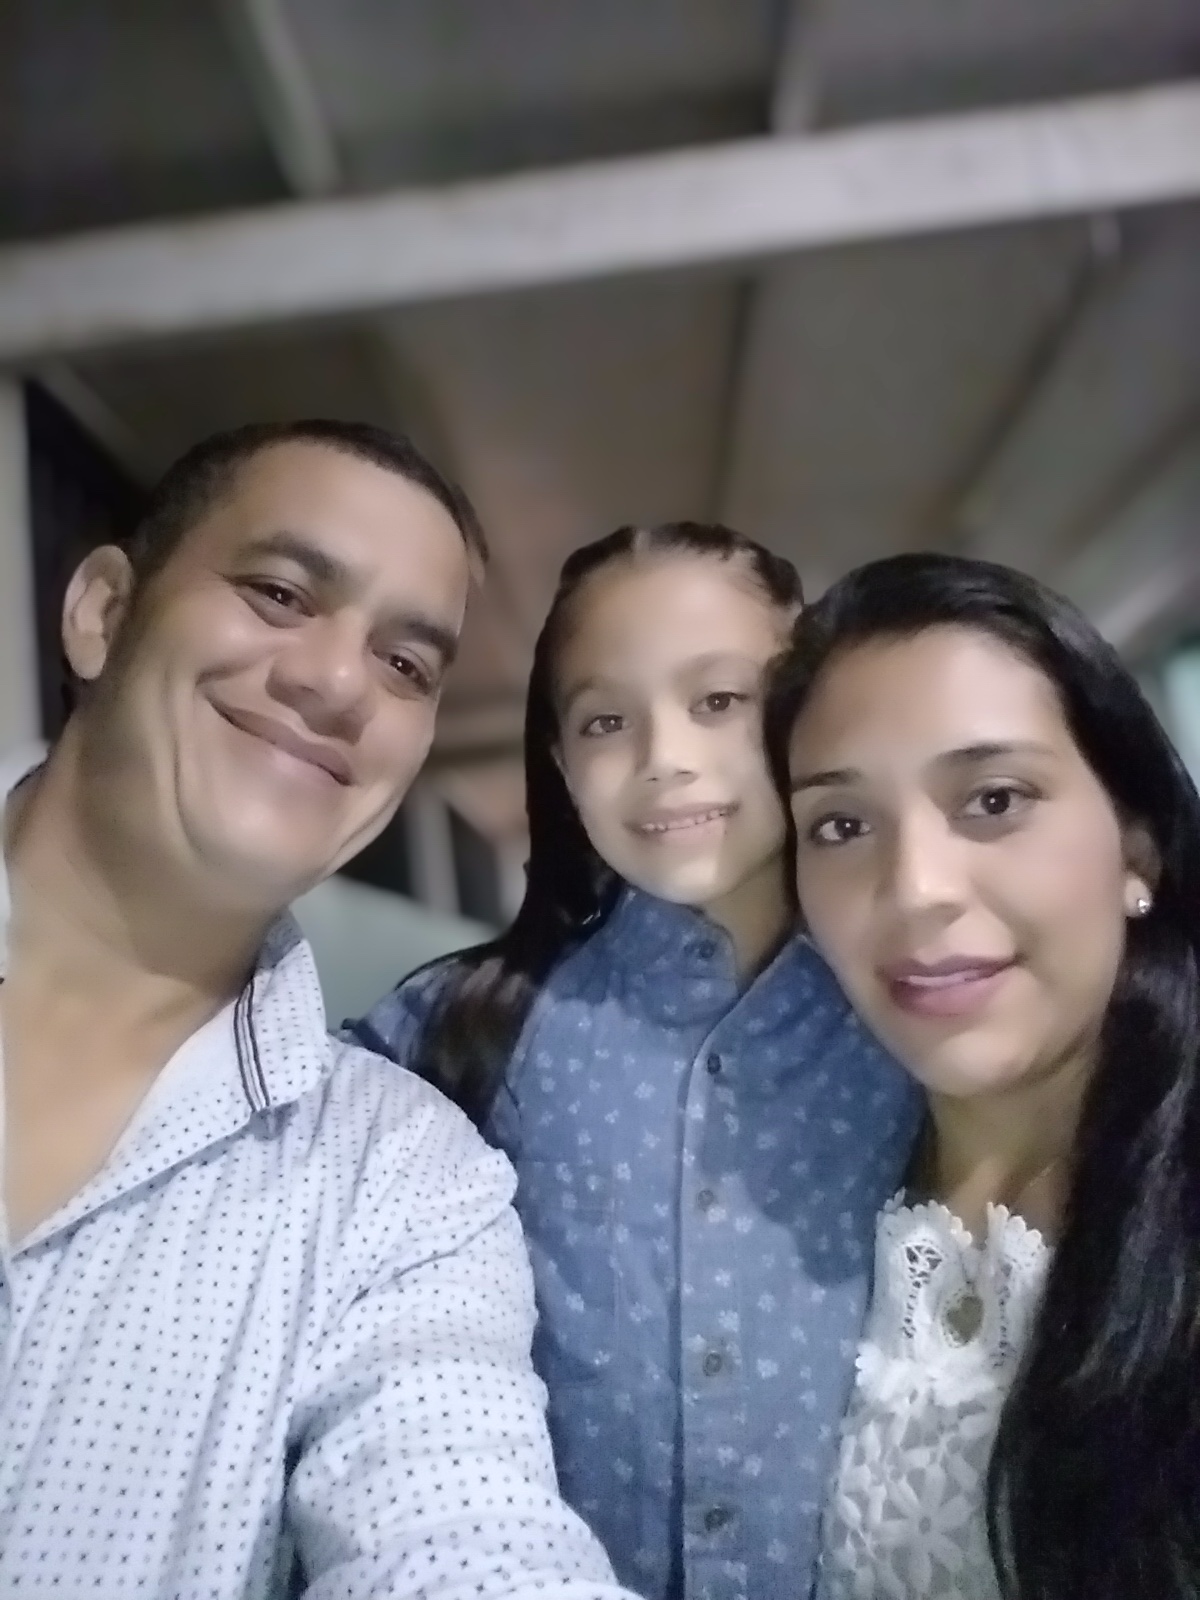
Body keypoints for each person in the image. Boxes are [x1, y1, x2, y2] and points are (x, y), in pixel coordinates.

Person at [0, 418, 637, 1599]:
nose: (338, 682)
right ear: (102, 612)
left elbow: (464, 1533)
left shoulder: (403, 1183)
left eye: (406, 664)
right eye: (282, 594)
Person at [350, 522, 920, 1600]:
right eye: (607, 720)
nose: (665, 756)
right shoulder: (461, 1026)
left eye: (721, 700)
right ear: (562, 763)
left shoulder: (914, 1009)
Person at [768, 552, 1200, 1599]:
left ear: (1136, 844)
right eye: (842, 825)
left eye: (994, 799)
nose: (915, 888)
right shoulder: (795, 1186)